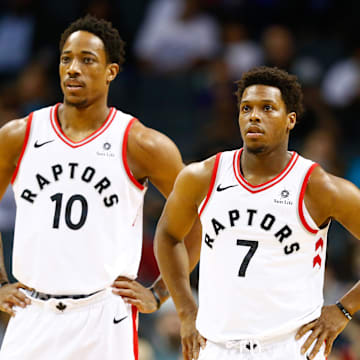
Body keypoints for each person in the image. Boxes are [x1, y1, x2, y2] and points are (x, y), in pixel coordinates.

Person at [0, 15, 200, 360]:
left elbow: (199, 218)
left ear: (112, 71)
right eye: (66, 59)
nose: (73, 68)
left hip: (105, 314)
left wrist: (161, 291)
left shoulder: (142, 143)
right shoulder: (18, 135)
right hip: (31, 311)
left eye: (87, 59)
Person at [154, 66, 360, 360]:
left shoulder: (319, 187)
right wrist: (186, 310)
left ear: (290, 120)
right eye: (246, 108)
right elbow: (168, 234)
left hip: (289, 347)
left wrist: (343, 309)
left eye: (267, 108)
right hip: (216, 346)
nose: (254, 115)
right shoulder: (202, 176)